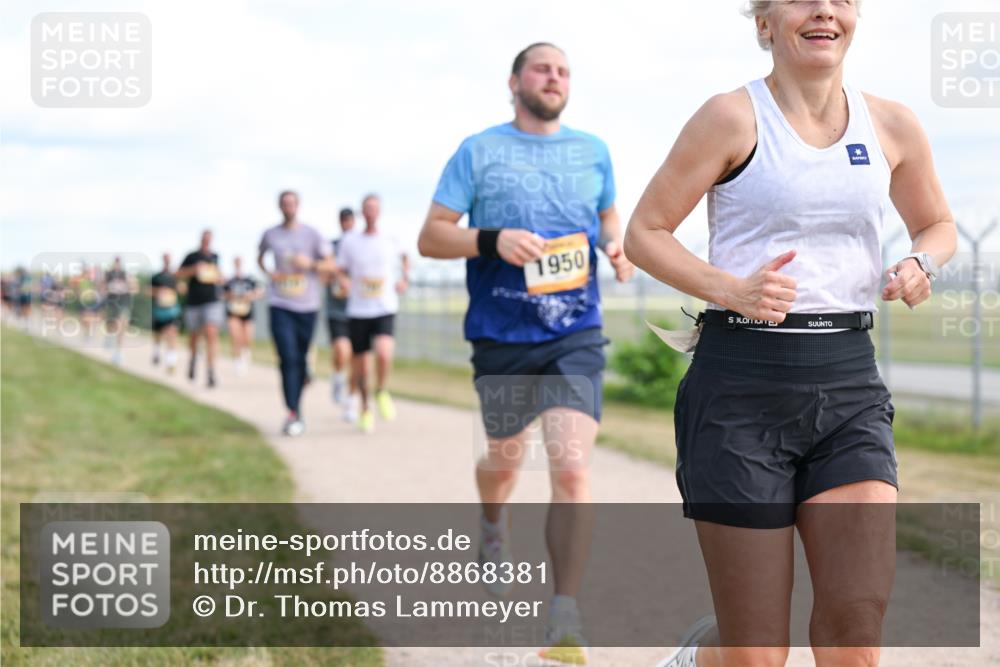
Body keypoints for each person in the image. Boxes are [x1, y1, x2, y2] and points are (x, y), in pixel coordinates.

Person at [623, 3, 956, 666]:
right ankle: (694, 659)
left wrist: (922, 261)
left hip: (849, 389)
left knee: (855, 630)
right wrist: (729, 288)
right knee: (755, 654)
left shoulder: (892, 124)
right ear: (764, 23)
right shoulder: (730, 117)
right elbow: (644, 232)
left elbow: (937, 224)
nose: (825, 9)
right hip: (739, 390)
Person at [417, 42, 633, 663]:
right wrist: (492, 240)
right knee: (505, 461)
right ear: (514, 82)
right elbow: (431, 237)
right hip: (502, 333)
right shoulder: (478, 150)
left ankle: (564, 612)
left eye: (563, 71)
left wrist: (615, 245)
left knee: (570, 466)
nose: (554, 77)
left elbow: (608, 217)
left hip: (575, 331)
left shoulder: (593, 150)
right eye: (542, 68)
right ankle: (493, 523)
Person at [257, 190, 334, 436]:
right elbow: (260, 257)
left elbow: (330, 264)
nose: (288, 207)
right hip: (279, 303)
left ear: (298, 206)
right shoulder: (271, 234)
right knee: (287, 356)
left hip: (307, 306)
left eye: (292, 203)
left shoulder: (312, 234)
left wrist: (309, 264)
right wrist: (270, 273)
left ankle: (298, 402)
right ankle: (293, 411)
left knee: (299, 358)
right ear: (280, 206)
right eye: (284, 204)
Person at [337, 194, 408, 433]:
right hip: (358, 309)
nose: (370, 212)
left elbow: (405, 258)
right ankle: (365, 408)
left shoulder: (391, 238)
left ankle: (382, 391)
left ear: (380, 211)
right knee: (362, 367)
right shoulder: (350, 241)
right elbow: (340, 269)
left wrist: (404, 279)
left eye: (374, 208)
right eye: (367, 208)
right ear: (362, 212)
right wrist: (344, 281)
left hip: (384, 306)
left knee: (384, 353)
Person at [177, 230, 225, 388]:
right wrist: (193, 270)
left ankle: (210, 371)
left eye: (209, 240)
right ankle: (193, 359)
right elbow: (178, 274)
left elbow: (220, 276)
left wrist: (220, 277)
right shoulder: (191, 256)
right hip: (194, 302)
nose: (206, 242)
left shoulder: (215, 257)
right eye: (205, 239)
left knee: (211, 335)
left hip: (212, 301)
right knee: (194, 337)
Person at [326, 207, 357, 409]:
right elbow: (324, 271)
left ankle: (352, 400)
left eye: (349, 220)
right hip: (336, 308)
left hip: (359, 309)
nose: (347, 223)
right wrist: (336, 276)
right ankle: (338, 376)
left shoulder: (361, 245)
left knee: (356, 357)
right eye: (343, 220)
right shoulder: (331, 247)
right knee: (341, 351)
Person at [223, 256, 263, 375]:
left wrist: (251, 296)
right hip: (233, 311)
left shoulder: (250, 280)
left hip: (247, 311)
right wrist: (230, 295)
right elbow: (222, 294)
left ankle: (246, 352)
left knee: (248, 337)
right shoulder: (230, 281)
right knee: (236, 336)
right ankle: (238, 361)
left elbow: (260, 292)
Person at [150, 252, 182, 374]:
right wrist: (159, 291)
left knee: (172, 335)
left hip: (172, 311)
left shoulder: (175, 276)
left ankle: (171, 362)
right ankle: (156, 352)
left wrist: (179, 289)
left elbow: (182, 289)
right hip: (159, 310)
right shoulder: (156, 277)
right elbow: (148, 290)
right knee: (157, 335)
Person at [103, 257, 134, 365]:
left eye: (118, 263)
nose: (117, 265)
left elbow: (133, 286)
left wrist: (129, 285)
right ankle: (109, 336)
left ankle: (118, 352)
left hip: (123, 301)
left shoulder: (125, 274)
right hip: (112, 301)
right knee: (112, 324)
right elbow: (103, 285)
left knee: (122, 324)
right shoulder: (109, 274)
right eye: (116, 263)